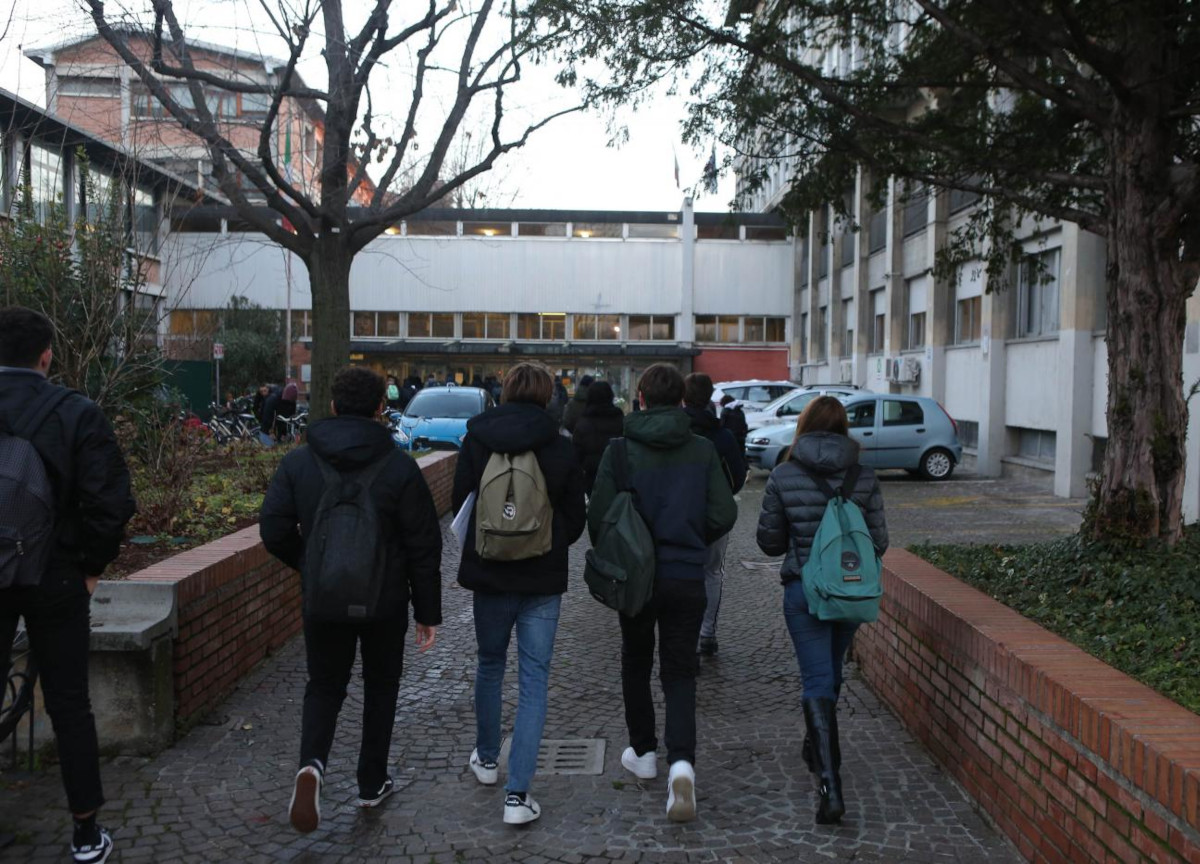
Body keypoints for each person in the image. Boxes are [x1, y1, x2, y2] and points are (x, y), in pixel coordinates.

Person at [260, 365, 442, 834]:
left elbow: (273, 529)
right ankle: (371, 781)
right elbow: (423, 544)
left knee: (324, 685)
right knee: (381, 687)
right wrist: (427, 611)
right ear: (381, 407)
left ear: (333, 405)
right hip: (384, 601)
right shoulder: (399, 467)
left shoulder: (299, 463)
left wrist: (310, 564)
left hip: (323, 598)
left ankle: (312, 765)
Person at [0, 306, 136, 864]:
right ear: (47, 356)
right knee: (70, 703)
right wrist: (91, 568)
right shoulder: (75, 412)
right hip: (55, 573)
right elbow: (110, 501)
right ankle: (85, 833)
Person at [588, 363, 737, 823]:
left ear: (641, 399)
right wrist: (691, 538)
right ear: (681, 400)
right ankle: (682, 766)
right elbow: (724, 513)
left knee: (635, 661)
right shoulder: (702, 449)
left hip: (636, 578)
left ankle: (643, 751)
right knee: (679, 671)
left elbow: (598, 518)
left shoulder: (619, 451)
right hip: (685, 575)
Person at [453, 362, 586, 825]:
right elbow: (575, 518)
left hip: (490, 574)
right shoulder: (560, 446)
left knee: (490, 665)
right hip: (542, 579)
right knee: (534, 679)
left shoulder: (476, 439)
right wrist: (545, 543)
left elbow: (460, 504)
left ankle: (487, 759)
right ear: (548, 395)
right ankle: (518, 796)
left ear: (505, 391)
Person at [755, 396, 888, 825]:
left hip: (804, 592)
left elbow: (769, 543)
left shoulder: (784, 474)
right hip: (850, 591)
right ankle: (818, 748)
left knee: (817, 678)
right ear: (844, 428)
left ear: (804, 425)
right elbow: (879, 541)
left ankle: (830, 784)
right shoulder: (863, 476)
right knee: (829, 673)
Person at [682, 374, 747, 657]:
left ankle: (685, 634)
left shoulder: (675, 432)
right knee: (711, 572)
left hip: (678, 514)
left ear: (684, 397)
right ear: (710, 397)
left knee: (681, 572)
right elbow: (738, 476)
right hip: (714, 516)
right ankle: (706, 633)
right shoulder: (722, 436)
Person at [571, 380, 625, 495]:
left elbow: (576, 455)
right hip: (617, 477)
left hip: (591, 478)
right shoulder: (620, 420)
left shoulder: (583, 423)